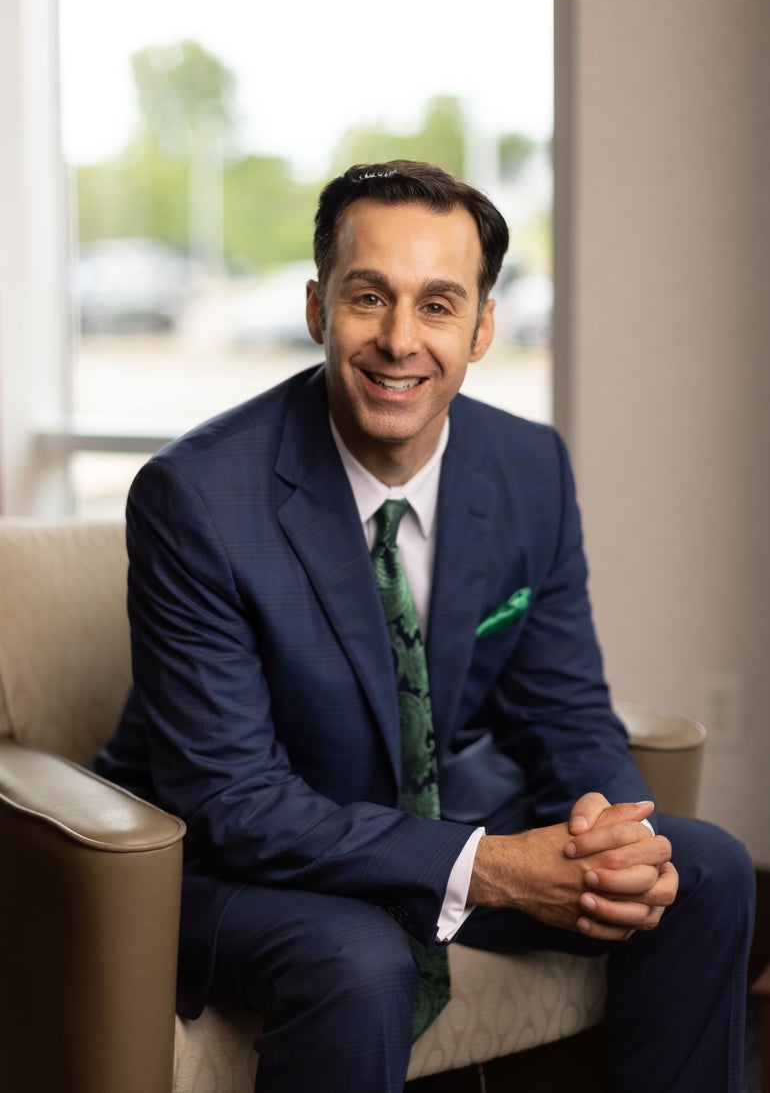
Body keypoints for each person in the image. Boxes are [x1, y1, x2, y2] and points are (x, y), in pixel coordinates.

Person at [94, 160, 755, 1093]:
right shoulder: (196, 497)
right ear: (319, 308)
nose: (400, 340)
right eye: (370, 297)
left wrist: (610, 835)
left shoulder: (527, 467)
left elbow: (563, 708)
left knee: (707, 872)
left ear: (482, 326)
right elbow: (233, 802)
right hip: (241, 866)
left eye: (439, 305)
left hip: (431, 824)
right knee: (360, 959)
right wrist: (487, 867)